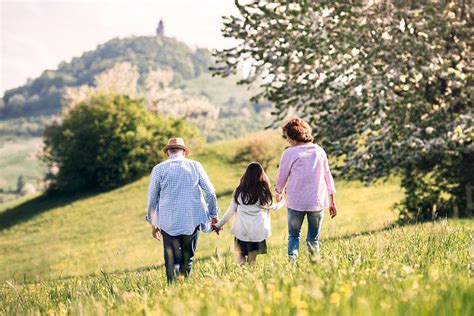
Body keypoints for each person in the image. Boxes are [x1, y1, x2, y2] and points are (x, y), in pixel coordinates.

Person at [146, 138, 219, 283]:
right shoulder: (195, 166)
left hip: (168, 222)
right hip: (192, 220)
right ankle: (184, 291)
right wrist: (213, 215)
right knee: (188, 259)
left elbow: (152, 200)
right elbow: (210, 193)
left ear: (167, 152)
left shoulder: (159, 169)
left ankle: (173, 291)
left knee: (172, 261)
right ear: (184, 152)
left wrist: (154, 224)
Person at [275, 118, 338, 261]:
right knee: (313, 239)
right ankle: (315, 264)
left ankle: (292, 262)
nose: (287, 140)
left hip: (296, 202)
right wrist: (332, 200)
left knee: (293, 235)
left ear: (293, 135)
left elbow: (282, 176)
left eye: (287, 137)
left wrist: (278, 192)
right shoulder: (319, 151)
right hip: (316, 202)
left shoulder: (289, 153)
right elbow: (327, 176)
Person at [212, 162, 284, 265]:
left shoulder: (239, 192)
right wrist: (282, 201)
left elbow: (230, 212)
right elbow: (274, 206)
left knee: (240, 257)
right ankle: (249, 277)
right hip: (257, 231)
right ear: (261, 175)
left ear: (246, 175)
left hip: (241, 231)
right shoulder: (263, 193)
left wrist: (218, 225)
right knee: (252, 261)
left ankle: (241, 274)